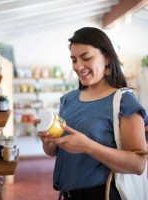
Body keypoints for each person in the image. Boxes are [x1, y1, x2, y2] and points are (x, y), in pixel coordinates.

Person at [34, 27, 148, 200]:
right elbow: (56, 151)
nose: (78, 66)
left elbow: (138, 164)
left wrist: (89, 147)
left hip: (105, 194)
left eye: (86, 58)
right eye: (74, 60)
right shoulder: (68, 99)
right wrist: (48, 141)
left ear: (107, 57)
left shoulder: (124, 101)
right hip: (68, 194)